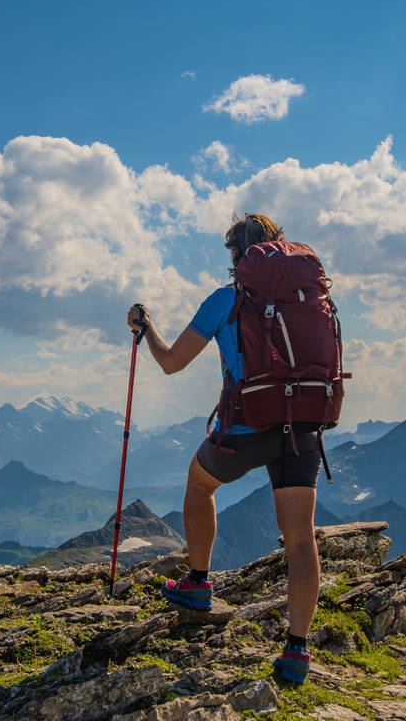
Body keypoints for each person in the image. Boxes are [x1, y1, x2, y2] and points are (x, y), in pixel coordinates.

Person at [126, 213, 322, 684]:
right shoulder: (310, 300)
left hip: (247, 426)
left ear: (238, 257)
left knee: (199, 484)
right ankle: (296, 651)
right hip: (303, 426)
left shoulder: (224, 301)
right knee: (300, 537)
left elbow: (172, 362)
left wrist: (146, 327)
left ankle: (197, 583)